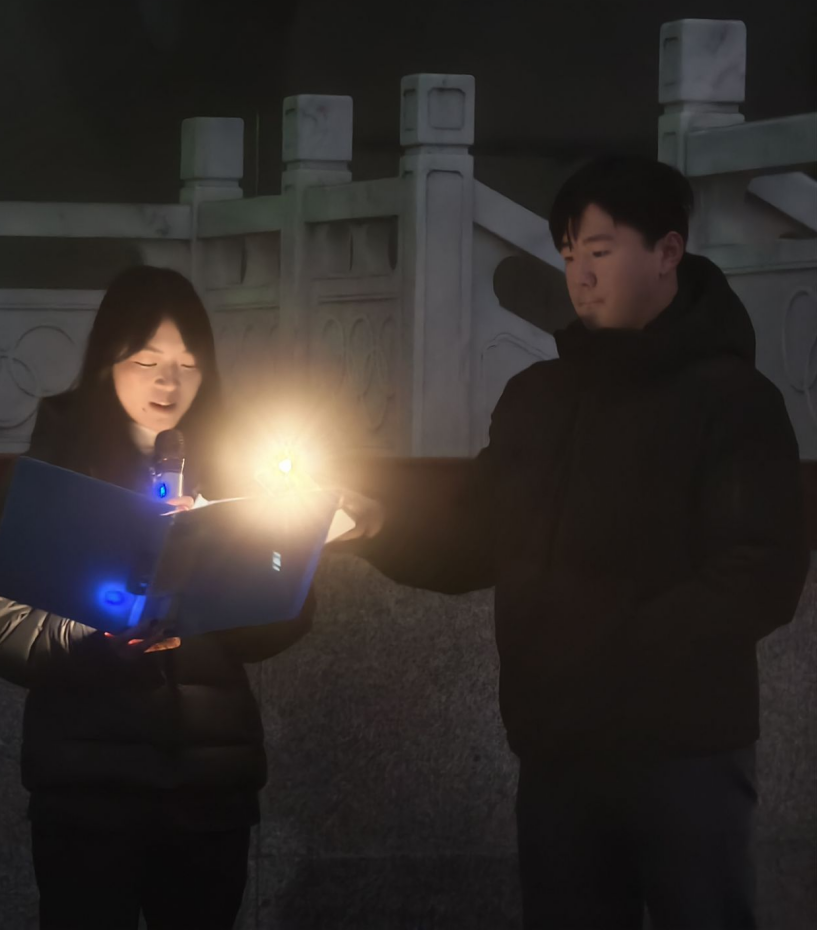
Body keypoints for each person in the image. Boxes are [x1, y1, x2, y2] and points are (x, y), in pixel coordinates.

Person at [337, 156, 809, 929]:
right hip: (558, 747)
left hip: (684, 748)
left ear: (666, 251)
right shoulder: (539, 397)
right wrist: (378, 525)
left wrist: (618, 647)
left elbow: (759, 573)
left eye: (599, 251)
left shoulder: (732, 399)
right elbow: (478, 533)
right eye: (567, 255)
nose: (580, 276)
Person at [0, 265, 313, 930]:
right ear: (106, 363)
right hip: (88, 788)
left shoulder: (241, 471)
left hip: (209, 787)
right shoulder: (53, 473)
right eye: (147, 361)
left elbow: (280, 622)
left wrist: (277, 555)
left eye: (188, 364)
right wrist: (95, 638)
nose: (168, 383)